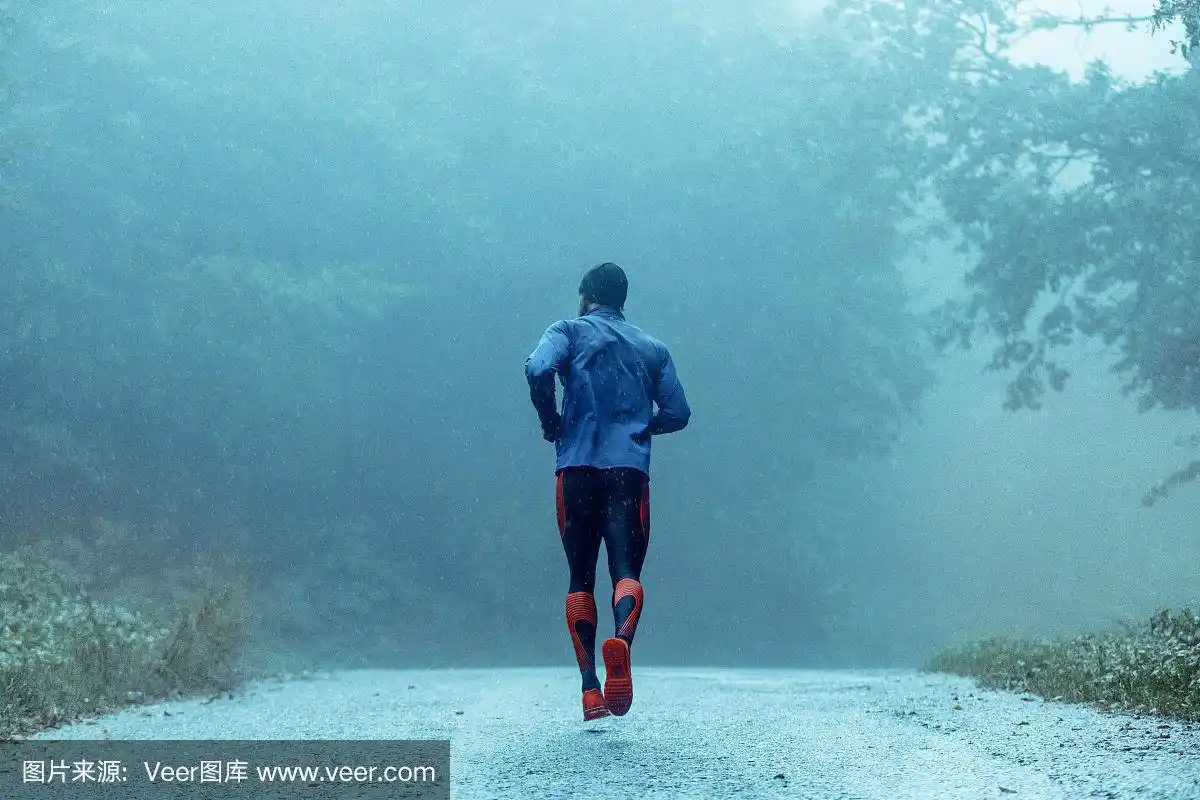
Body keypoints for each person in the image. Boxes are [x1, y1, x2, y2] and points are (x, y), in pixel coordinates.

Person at [524, 262, 691, 721]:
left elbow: (537, 367)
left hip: (575, 469)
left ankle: (589, 690)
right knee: (625, 571)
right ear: (622, 301)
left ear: (584, 296)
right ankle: (622, 643)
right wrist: (640, 426)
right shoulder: (651, 347)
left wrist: (551, 421)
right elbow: (679, 411)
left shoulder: (568, 331)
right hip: (629, 473)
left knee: (580, 578)